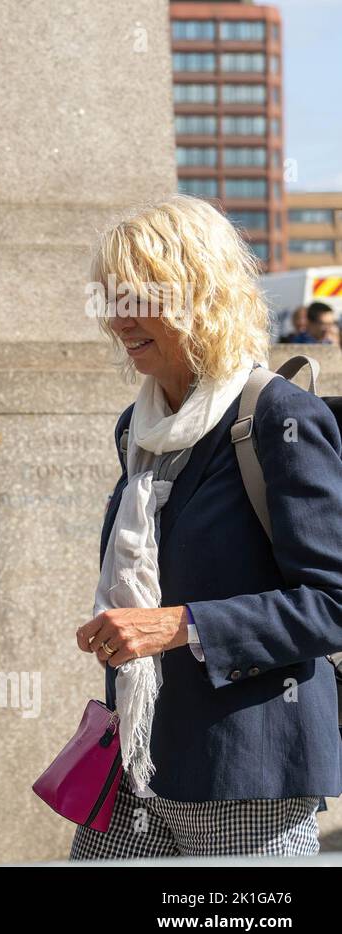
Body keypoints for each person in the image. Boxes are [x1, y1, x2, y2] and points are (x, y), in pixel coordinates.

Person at [71, 194, 342, 859]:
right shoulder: (137, 428)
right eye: (112, 300)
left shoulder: (279, 418)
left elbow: (332, 601)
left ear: (200, 296)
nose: (119, 320)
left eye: (140, 299)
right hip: (137, 757)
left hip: (246, 770)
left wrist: (178, 625)